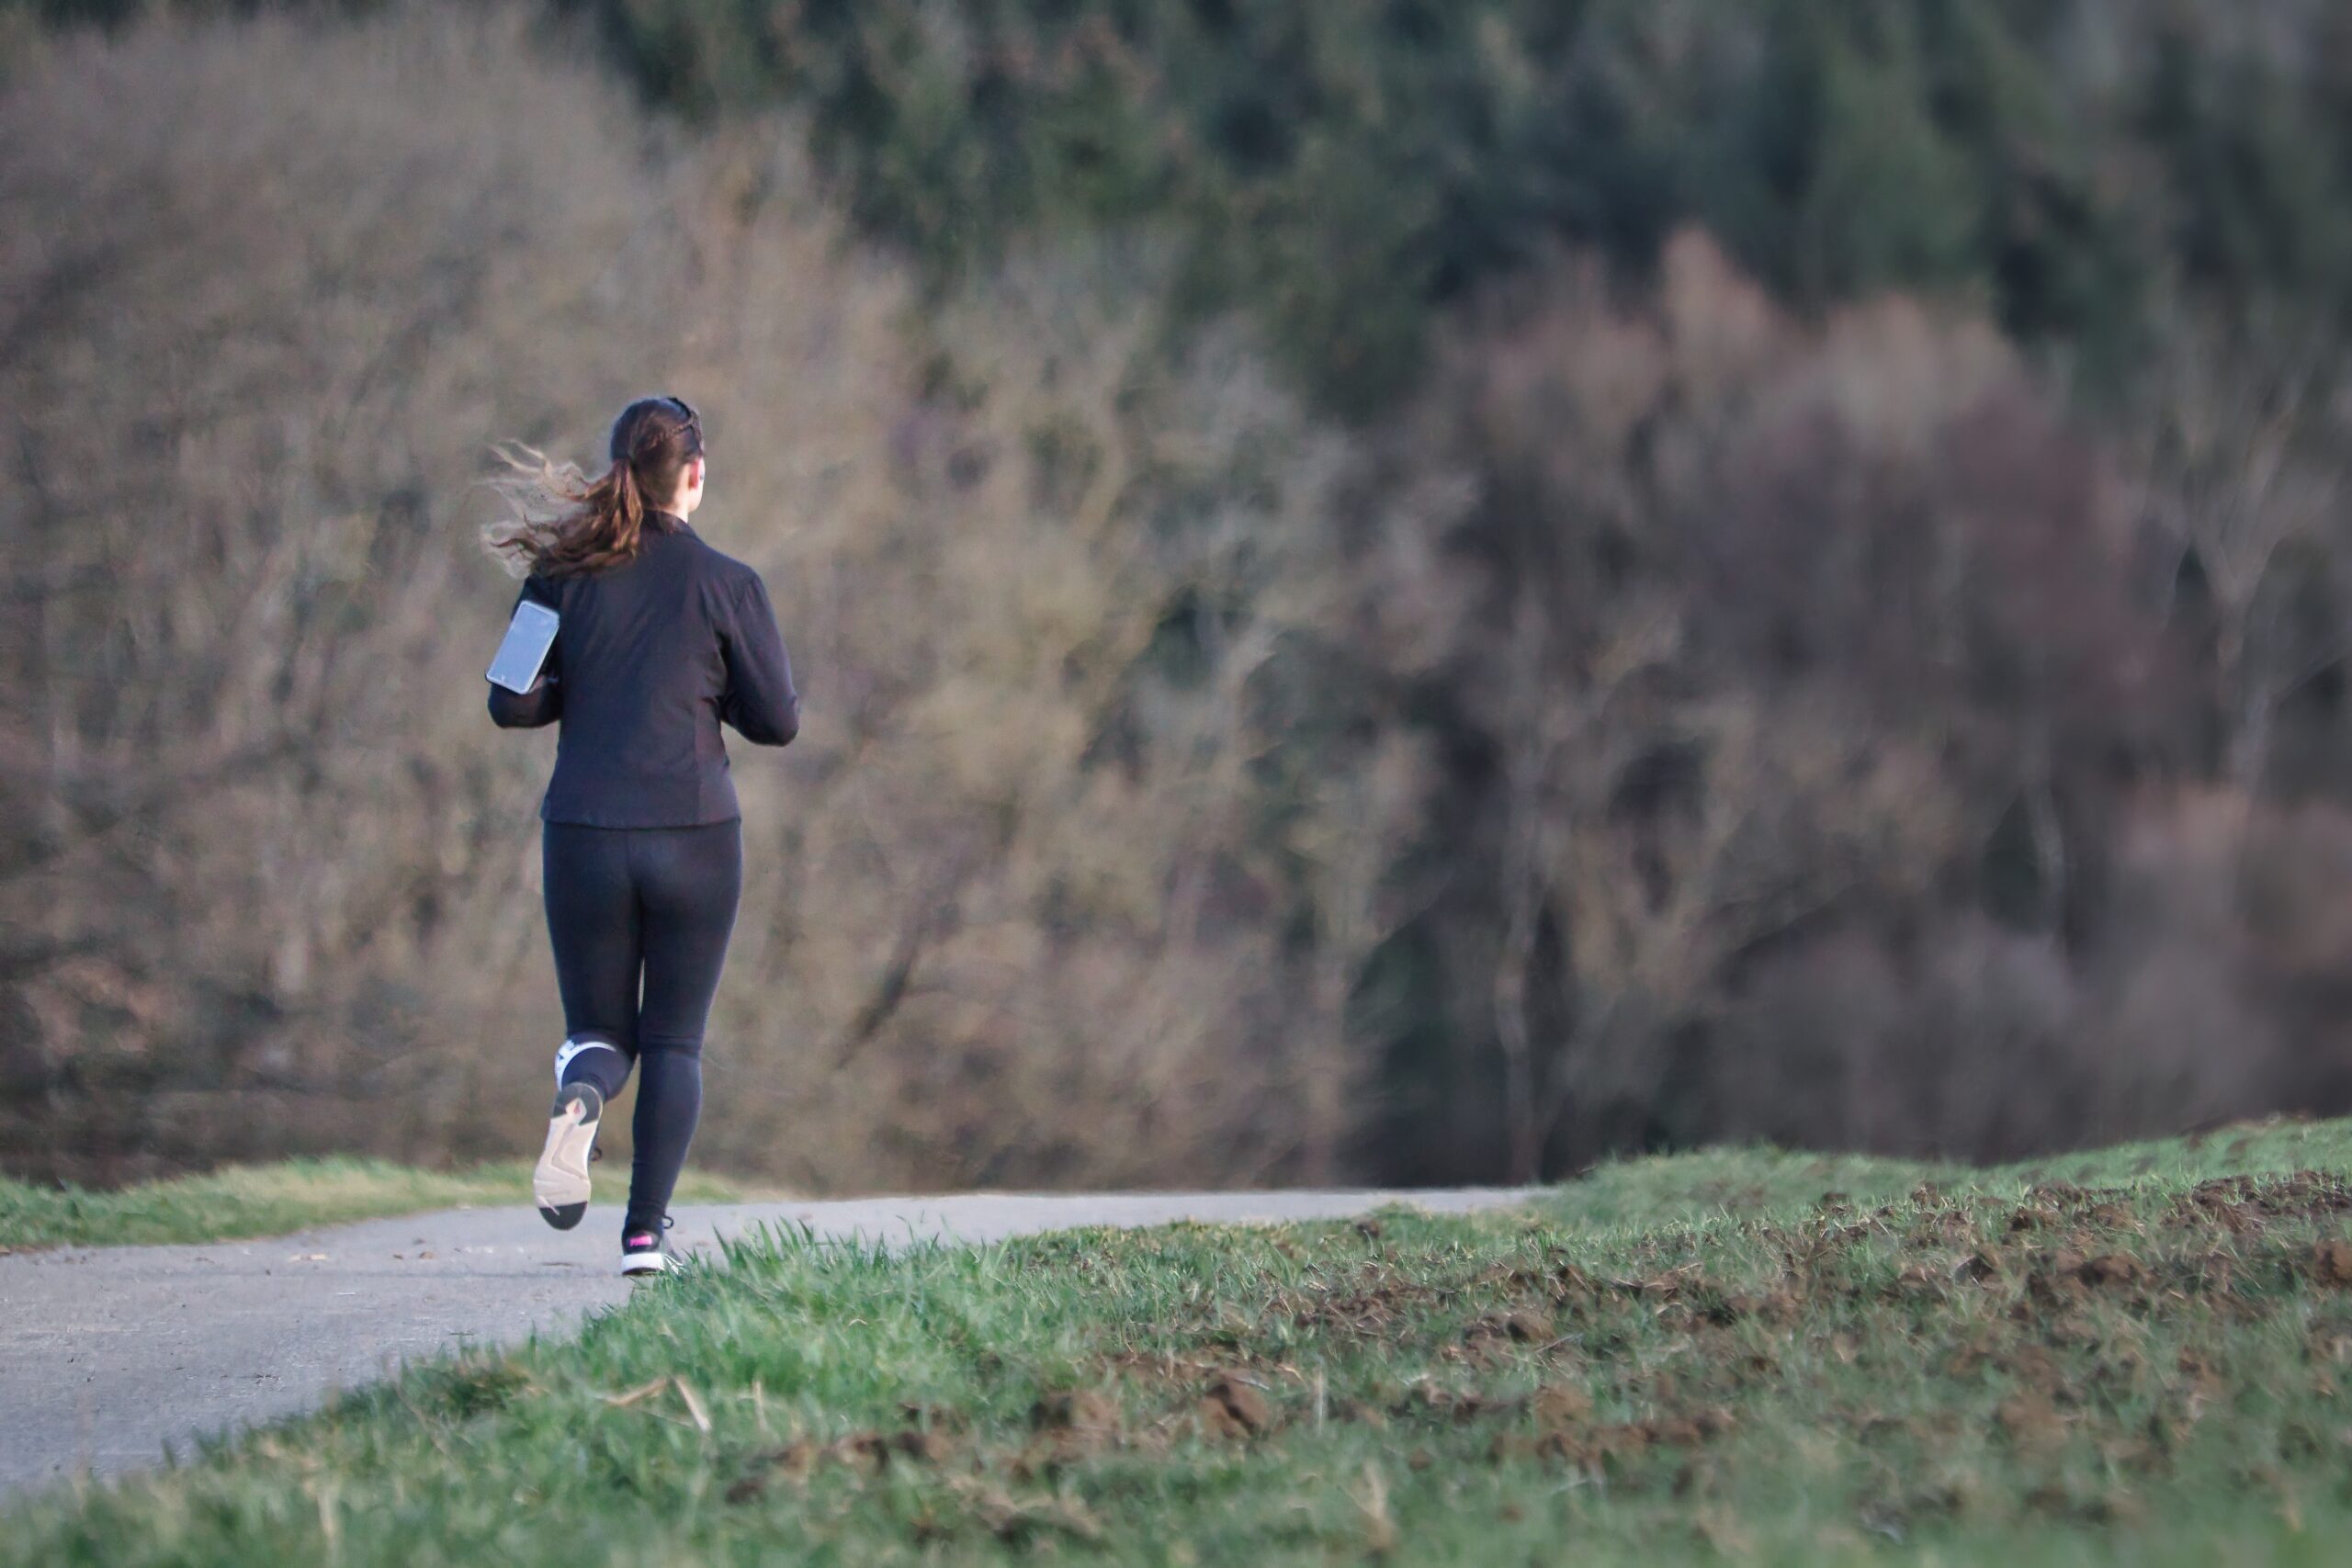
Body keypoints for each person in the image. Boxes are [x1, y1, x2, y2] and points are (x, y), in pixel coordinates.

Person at [483, 397, 797, 1275]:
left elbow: (508, 700)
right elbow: (777, 720)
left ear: (618, 470)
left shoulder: (557, 575)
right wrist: (714, 695)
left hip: (584, 833)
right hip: (696, 834)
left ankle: (582, 1092)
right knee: (673, 1043)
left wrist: (580, 692)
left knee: (599, 1031)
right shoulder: (730, 584)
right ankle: (644, 1235)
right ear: (694, 475)